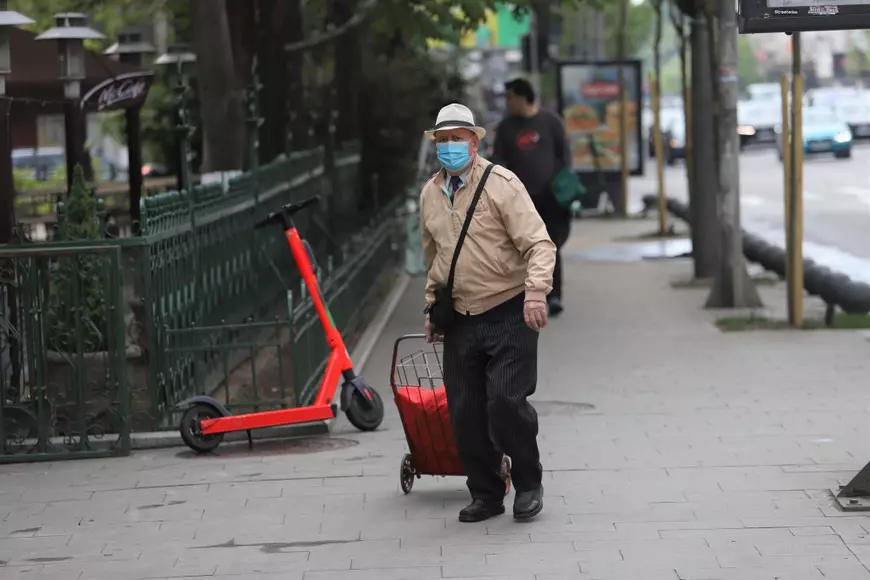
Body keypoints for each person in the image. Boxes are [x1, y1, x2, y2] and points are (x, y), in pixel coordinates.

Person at [420, 103, 556, 523]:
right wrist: (432, 306)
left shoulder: (502, 184)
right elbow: (436, 257)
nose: (449, 147)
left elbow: (539, 244)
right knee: (464, 410)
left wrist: (536, 293)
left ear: (475, 142)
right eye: (443, 140)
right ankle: (486, 491)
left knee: (505, 401)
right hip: (460, 317)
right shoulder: (429, 194)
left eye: (456, 139)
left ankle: (529, 483)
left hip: (509, 309)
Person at [493, 78, 571, 317]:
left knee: (550, 246)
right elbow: (498, 161)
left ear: (522, 97)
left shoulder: (550, 122)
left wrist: (561, 181)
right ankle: (522, 295)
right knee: (518, 249)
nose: (507, 102)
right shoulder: (506, 127)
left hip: (550, 197)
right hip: (519, 200)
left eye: (509, 97)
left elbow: (565, 154)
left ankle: (553, 295)